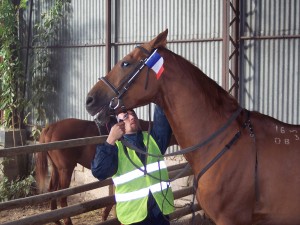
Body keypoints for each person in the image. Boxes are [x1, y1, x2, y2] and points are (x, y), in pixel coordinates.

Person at [91, 105, 174, 225]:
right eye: (125, 116)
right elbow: (99, 172)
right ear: (117, 125)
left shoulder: (153, 140)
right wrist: (110, 140)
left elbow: (162, 115)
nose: (131, 117)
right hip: (133, 216)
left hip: (159, 211)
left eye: (133, 114)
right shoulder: (115, 149)